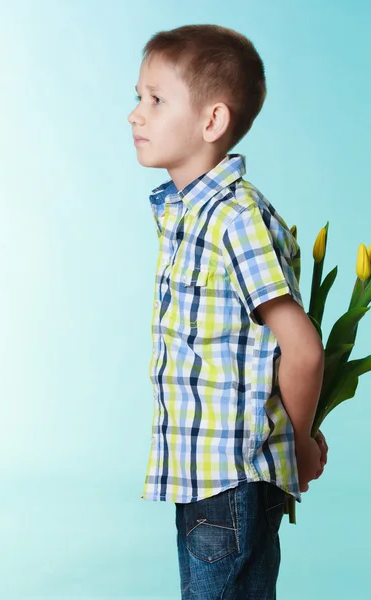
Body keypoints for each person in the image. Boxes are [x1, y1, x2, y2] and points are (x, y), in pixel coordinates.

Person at [128, 23, 329, 600]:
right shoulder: (191, 213)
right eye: (138, 97)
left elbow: (303, 346)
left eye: (155, 99)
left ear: (211, 122)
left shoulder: (234, 219)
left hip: (229, 475)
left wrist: (298, 441)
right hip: (204, 472)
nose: (135, 115)